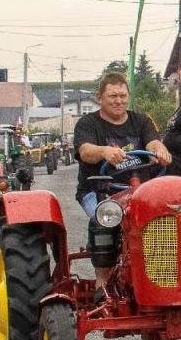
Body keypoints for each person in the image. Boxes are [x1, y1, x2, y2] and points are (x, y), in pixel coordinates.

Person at [73, 71, 172, 290]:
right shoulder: (88, 124)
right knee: (104, 220)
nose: (118, 101)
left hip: (138, 192)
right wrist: (104, 151)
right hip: (100, 191)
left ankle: (160, 276)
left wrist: (160, 150)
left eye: (122, 95)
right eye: (112, 96)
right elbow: (85, 151)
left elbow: (153, 143)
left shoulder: (141, 121)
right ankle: (103, 277)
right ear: (100, 97)